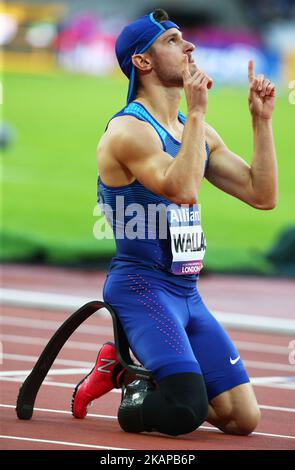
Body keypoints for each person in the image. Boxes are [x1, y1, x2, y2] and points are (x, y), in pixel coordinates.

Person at [72, 9, 277, 436]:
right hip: (141, 288)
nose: (190, 47)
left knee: (244, 419)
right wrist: (198, 113)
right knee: (186, 409)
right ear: (142, 62)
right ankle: (129, 377)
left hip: (187, 292)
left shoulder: (191, 127)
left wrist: (261, 121)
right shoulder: (129, 131)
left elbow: (262, 195)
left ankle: (121, 359)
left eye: (185, 38)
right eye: (173, 41)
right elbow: (181, 188)